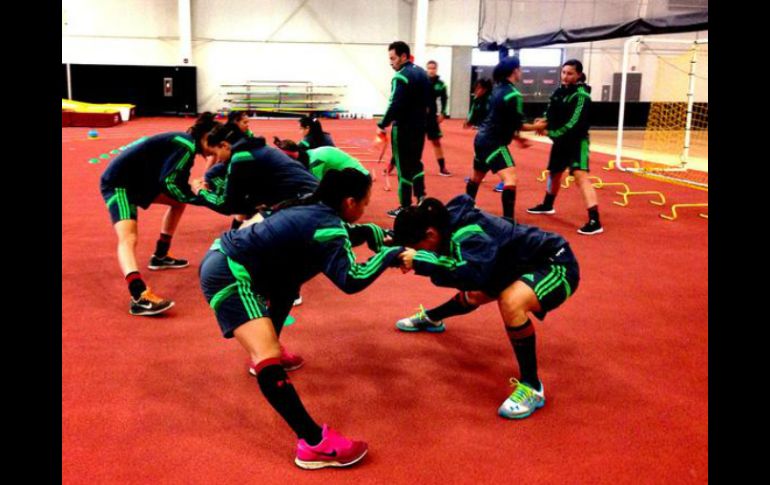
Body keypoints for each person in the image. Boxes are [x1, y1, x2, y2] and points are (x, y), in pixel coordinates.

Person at [198, 168, 405, 469]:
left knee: (287, 286)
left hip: (231, 257)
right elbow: (351, 279)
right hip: (229, 272)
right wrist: (389, 254)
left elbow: (335, 235)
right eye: (364, 203)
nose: (364, 208)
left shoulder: (313, 207)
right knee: (265, 357)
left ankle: (272, 347)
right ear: (349, 202)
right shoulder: (327, 223)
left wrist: (370, 231)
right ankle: (313, 443)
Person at [391, 195, 579, 420]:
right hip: (510, 265)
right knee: (477, 294)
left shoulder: (468, 234)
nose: (419, 251)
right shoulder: (443, 225)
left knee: (511, 301)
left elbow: (471, 274)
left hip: (555, 263)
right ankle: (433, 318)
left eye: (418, 246)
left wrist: (421, 261)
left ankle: (532, 386)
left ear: (430, 234)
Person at [99, 112, 220, 316]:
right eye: (216, 144)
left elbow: (176, 182)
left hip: (140, 182)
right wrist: (199, 198)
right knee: (128, 238)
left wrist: (191, 193)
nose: (217, 150)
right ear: (206, 137)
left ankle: (160, 255)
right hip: (120, 184)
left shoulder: (186, 143)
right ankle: (139, 296)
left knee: (178, 203)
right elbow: (169, 182)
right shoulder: (186, 146)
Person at [527, 59, 603, 235]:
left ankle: (595, 219)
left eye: (570, 73)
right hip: (560, 141)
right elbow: (550, 110)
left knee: (580, 176)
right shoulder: (559, 91)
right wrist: (543, 120)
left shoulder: (581, 96)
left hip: (577, 141)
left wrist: (550, 133)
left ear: (578, 75)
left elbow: (574, 124)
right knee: (554, 172)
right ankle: (548, 205)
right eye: (563, 72)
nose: (565, 76)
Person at [464, 56, 545, 220]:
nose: (520, 72)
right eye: (519, 69)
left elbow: (503, 120)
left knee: (476, 177)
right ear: (515, 71)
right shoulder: (513, 94)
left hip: (481, 139)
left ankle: (465, 210)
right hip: (494, 143)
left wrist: (517, 138)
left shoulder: (497, 90)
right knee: (511, 178)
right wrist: (540, 126)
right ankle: (508, 222)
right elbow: (519, 124)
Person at [377, 40, 432, 218]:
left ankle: (405, 206)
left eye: (393, 58)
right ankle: (421, 197)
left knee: (403, 167)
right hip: (419, 126)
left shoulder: (400, 76)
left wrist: (382, 124)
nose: (390, 62)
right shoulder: (423, 73)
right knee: (416, 162)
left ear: (403, 56)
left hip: (403, 128)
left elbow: (395, 104)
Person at [425, 60, 452, 176]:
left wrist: (443, 113)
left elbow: (444, 99)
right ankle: (393, 165)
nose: (431, 70)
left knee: (436, 142)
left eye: (433, 68)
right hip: (418, 116)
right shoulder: (421, 81)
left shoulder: (441, 84)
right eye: (429, 68)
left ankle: (442, 168)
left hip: (432, 117)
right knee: (411, 142)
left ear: (436, 69)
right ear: (427, 69)